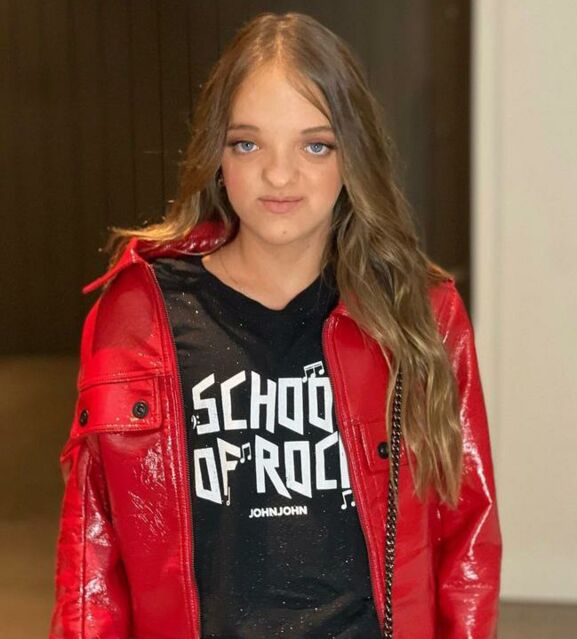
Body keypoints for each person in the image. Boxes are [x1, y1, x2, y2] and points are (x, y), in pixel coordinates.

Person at [49, 11, 501, 639]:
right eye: (248, 143)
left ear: (353, 155)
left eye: (315, 145)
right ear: (216, 153)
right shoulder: (140, 312)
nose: (279, 174)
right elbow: (91, 552)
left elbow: (467, 533)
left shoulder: (418, 310)